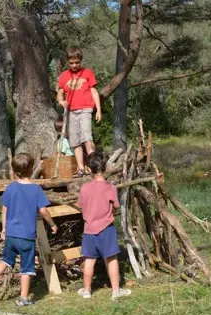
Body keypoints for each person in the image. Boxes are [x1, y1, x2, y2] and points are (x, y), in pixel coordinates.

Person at [0, 153, 58, 306]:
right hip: (26, 236)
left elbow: (4, 208)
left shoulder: (11, 187)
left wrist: (4, 228)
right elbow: (43, 211)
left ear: (13, 170)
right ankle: (23, 298)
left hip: (11, 234)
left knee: (6, 260)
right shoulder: (35, 189)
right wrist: (52, 224)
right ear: (32, 169)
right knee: (27, 267)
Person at [76, 151, 131, 300]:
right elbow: (116, 206)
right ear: (105, 168)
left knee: (89, 260)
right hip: (106, 229)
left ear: (89, 168)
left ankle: (86, 290)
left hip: (89, 229)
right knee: (111, 259)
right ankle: (116, 290)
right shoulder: (110, 187)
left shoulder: (85, 188)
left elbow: (80, 205)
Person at [57, 46, 102, 178]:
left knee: (87, 138)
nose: (74, 65)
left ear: (80, 60)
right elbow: (60, 94)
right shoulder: (64, 76)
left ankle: (94, 166)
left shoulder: (88, 73)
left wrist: (98, 109)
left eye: (77, 62)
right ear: (67, 62)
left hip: (86, 109)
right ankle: (81, 168)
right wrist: (61, 102)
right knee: (75, 141)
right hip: (71, 111)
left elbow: (94, 91)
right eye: (71, 63)